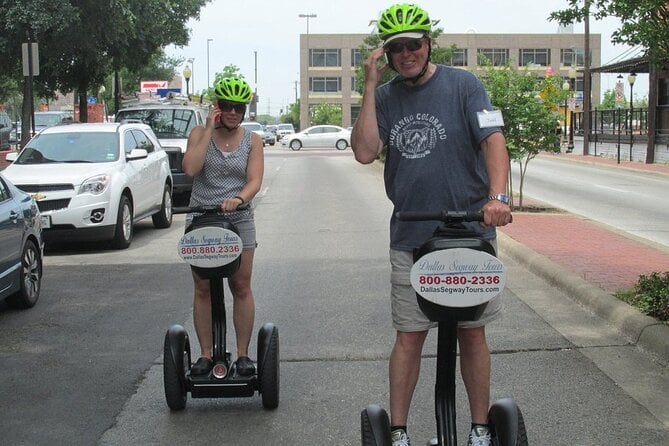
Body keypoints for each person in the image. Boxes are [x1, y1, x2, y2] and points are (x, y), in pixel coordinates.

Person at [350, 4, 512, 446]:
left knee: (473, 334)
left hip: (471, 234)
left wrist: (497, 198)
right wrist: (369, 83)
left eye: (413, 44)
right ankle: (398, 432)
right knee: (410, 336)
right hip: (411, 236)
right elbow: (365, 152)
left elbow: (494, 140)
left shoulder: (465, 85)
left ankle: (480, 429)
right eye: (396, 48)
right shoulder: (384, 97)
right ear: (387, 54)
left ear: (428, 43)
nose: (406, 54)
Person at [182, 77, 264, 377]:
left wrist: (239, 198)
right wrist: (207, 129)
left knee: (240, 286)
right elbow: (190, 169)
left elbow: (255, 180)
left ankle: (243, 355)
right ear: (217, 107)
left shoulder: (252, 140)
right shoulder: (198, 134)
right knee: (202, 287)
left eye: (238, 108)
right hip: (201, 216)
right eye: (226, 107)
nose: (232, 113)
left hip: (238, 217)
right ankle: (205, 355)